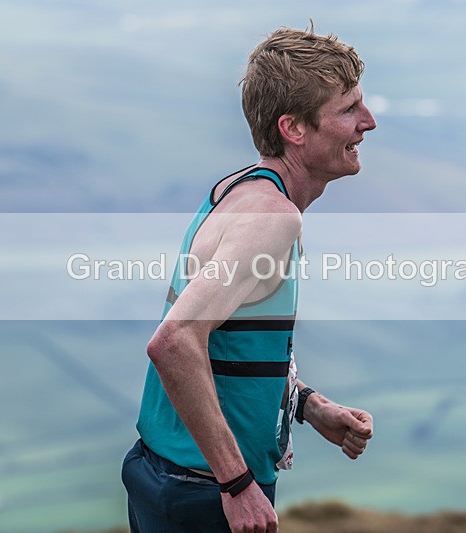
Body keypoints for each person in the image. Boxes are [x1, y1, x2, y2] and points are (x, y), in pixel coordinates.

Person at [122, 24, 377, 533]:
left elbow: (227, 342)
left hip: (168, 475)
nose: (367, 122)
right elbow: (174, 342)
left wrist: (307, 404)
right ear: (294, 128)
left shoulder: (237, 191)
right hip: (204, 491)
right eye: (349, 109)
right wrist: (237, 486)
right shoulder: (272, 218)